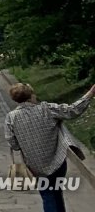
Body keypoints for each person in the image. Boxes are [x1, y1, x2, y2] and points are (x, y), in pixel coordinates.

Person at [5, 80, 95, 212]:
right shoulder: (46, 109)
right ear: (30, 96)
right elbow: (72, 111)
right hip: (57, 161)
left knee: (47, 195)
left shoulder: (11, 117)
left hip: (35, 165)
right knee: (57, 193)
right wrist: (90, 94)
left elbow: (12, 142)